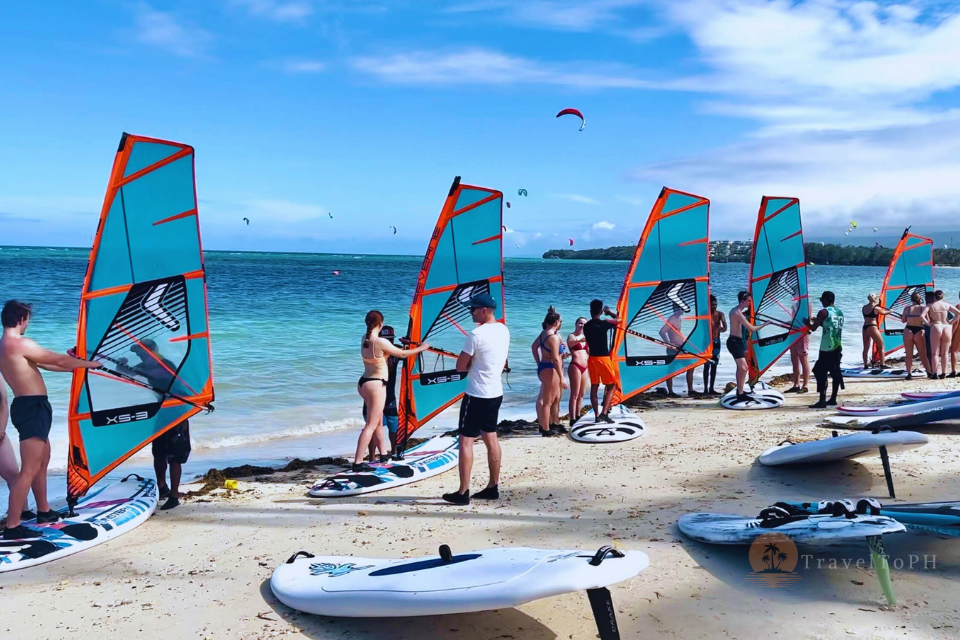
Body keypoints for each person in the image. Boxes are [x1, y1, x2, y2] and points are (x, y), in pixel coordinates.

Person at [0, 301, 101, 540]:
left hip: (30, 407)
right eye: (28, 319)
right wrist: (91, 364)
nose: (27, 324)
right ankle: (12, 526)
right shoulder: (20, 343)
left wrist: (78, 367)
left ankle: (44, 511)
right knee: (29, 469)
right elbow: (58, 360)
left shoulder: (4, 345)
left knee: (42, 461)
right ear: (21, 319)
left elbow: (46, 364)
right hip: (32, 408)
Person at [442, 293, 510, 505]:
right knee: (491, 437)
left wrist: (472, 364)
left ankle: (463, 492)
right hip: (495, 393)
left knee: (465, 441)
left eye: (473, 308)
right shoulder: (504, 330)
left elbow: (460, 366)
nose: (470, 312)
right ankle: (493, 487)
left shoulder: (476, 334)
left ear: (484, 310)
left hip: (477, 394)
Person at [117, 338, 192, 511]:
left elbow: (160, 375)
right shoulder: (144, 366)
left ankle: (174, 496)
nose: (140, 356)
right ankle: (162, 487)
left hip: (178, 411)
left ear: (153, 351)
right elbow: (126, 373)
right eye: (138, 354)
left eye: (142, 353)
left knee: (175, 456)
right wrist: (121, 365)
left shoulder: (166, 365)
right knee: (158, 452)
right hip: (161, 411)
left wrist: (139, 371)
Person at [354, 311, 428, 472]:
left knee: (378, 422)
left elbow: (381, 356)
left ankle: (383, 455)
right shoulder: (379, 341)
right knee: (371, 425)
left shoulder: (365, 339)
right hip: (376, 385)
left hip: (364, 383)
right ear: (380, 324)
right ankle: (358, 463)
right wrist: (422, 347)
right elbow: (402, 354)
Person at [361, 326, 402, 458]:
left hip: (389, 398)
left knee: (394, 427)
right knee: (372, 427)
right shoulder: (373, 352)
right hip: (374, 396)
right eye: (386, 340)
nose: (388, 343)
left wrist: (411, 344)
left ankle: (394, 453)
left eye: (391, 340)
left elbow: (408, 354)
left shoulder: (395, 353)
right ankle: (372, 457)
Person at [727, 292, 768, 403]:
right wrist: (765, 324)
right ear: (742, 301)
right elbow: (751, 328)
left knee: (741, 368)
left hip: (738, 342)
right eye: (749, 301)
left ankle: (740, 391)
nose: (750, 303)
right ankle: (740, 393)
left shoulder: (737, 311)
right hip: (734, 342)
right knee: (744, 368)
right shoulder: (737, 312)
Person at [583, 299, 619, 423]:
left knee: (594, 386)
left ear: (590, 311)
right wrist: (610, 312)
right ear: (601, 311)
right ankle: (604, 413)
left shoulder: (586, 326)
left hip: (592, 359)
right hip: (603, 359)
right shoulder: (604, 323)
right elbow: (620, 320)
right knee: (612, 386)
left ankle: (596, 416)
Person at [531, 307, 565, 437]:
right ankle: (545, 429)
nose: (560, 323)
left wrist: (539, 362)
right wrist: (562, 377)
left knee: (551, 398)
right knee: (548, 401)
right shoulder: (553, 337)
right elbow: (555, 359)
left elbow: (534, 347)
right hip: (551, 368)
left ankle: (549, 424)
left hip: (544, 366)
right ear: (556, 322)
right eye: (560, 321)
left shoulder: (544, 334)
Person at [807, 291, 845, 408]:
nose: (821, 302)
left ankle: (822, 400)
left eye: (822, 300)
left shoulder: (823, 312)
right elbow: (831, 326)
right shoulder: (839, 312)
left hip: (826, 347)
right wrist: (819, 321)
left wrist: (807, 323)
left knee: (819, 371)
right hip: (837, 346)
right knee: (835, 372)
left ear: (827, 299)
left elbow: (813, 328)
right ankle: (833, 398)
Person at [659, 302, 696, 397]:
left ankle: (690, 390)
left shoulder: (679, 319)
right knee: (670, 370)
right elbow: (662, 332)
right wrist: (669, 343)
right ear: (677, 309)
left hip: (680, 347)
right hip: (673, 349)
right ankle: (671, 392)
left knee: (690, 367)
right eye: (681, 308)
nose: (683, 310)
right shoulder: (672, 319)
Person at [922, 290, 960, 379]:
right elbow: (958, 313)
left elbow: (922, 316)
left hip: (936, 325)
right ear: (942, 297)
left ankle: (935, 373)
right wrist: (951, 322)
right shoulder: (947, 305)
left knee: (935, 353)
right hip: (946, 326)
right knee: (945, 353)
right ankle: (943, 373)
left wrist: (928, 323)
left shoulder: (930, 305)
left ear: (934, 297)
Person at [567, 317, 590, 424]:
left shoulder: (586, 337)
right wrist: (580, 340)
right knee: (574, 394)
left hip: (585, 367)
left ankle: (578, 415)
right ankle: (572, 419)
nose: (582, 326)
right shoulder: (572, 336)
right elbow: (570, 343)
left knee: (581, 394)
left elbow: (589, 352)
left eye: (584, 324)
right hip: (575, 366)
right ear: (576, 324)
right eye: (580, 323)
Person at [901, 291, 929, 380]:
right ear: (919, 299)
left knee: (908, 354)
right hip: (919, 330)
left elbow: (903, 320)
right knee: (923, 354)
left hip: (908, 330)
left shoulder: (907, 308)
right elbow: (927, 321)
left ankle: (909, 374)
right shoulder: (923, 308)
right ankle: (929, 372)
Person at [703, 296, 726, 396]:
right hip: (707, 343)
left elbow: (725, 328)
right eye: (712, 305)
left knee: (714, 364)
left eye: (715, 305)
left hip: (716, 342)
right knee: (706, 365)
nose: (714, 307)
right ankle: (705, 389)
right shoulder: (705, 315)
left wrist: (720, 328)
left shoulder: (720, 314)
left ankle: (711, 388)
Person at [861, 293, 892, 369]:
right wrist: (890, 311)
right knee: (881, 346)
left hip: (865, 328)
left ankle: (865, 365)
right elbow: (884, 313)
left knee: (866, 348)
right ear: (875, 299)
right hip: (872, 327)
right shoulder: (876, 308)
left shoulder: (864, 307)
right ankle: (882, 364)